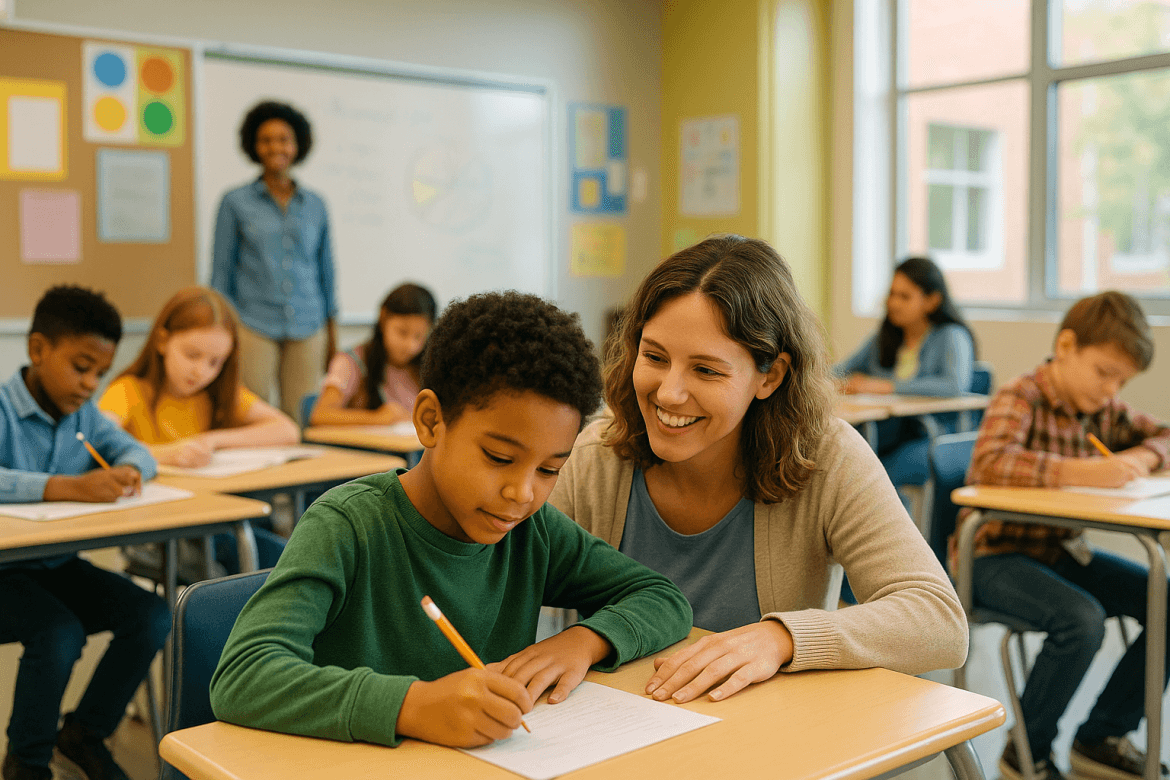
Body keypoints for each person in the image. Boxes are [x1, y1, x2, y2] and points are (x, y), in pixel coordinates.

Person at [209, 291, 691, 748]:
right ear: (431, 420)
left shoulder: (530, 532)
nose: (522, 493)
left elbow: (663, 598)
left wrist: (584, 642)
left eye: (549, 470)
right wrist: (411, 706)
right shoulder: (347, 526)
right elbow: (244, 676)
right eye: (499, 457)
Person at [549, 235, 967, 709]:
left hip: (765, 740)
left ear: (770, 376)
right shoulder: (598, 453)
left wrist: (781, 638)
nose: (668, 393)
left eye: (706, 371)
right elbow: (504, 573)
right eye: (655, 357)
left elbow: (939, 622)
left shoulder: (827, 457)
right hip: (614, 731)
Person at [955, 291, 1170, 780]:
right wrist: (1083, 473)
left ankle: (1101, 736)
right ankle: (1025, 752)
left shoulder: (1103, 409)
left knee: (1167, 598)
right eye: (1104, 372)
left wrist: (1144, 458)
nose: (1111, 390)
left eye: (1122, 380)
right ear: (1067, 346)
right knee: (1082, 619)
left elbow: (1164, 434)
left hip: (1058, 553)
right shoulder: (1022, 395)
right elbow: (989, 464)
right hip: (993, 556)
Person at [0, 286, 169, 780]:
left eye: (101, 372)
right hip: (5, 573)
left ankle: (84, 735)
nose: (90, 383)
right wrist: (63, 486)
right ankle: (26, 763)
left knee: (151, 615)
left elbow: (140, 453)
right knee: (58, 632)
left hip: (54, 565)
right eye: (81, 367)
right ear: (37, 350)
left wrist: (131, 472)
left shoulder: (85, 416)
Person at [99, 286, 299, 575]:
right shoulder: (128, 391)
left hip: (211, 521)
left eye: (215, 362)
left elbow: (287, 430)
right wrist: (169, 454)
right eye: (192, 355)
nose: (201, 372)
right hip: (155, 528)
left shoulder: (216, 394)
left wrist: (211, 440)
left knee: (283, 558)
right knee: (238, 569)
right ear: (162, 341)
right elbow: (98, 447)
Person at [211, 100, 337, 420]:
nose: (275, 147)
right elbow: (221, 271)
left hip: (309, 323)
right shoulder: (234, 202)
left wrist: (331, 329)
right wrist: (220, 329)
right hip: (252, 322)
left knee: (302, 414)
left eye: (283, 139)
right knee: (253, 412)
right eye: (266, 140)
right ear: (254, 146)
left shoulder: (316, 205)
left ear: (297, 145)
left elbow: (326, 271)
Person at [834, 256, 976, 487]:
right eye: (892, 294)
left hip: (930, 437)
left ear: (932, 301)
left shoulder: (952, 336)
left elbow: (954, 385)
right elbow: (839, 371)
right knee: (842, 455)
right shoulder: (884, 338)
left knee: (868, 476)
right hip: (885, 432)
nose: (893, 303)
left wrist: (885, 387)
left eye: (904, 296)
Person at [309, 283, 437, 426]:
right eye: (402, 332)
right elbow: (320, 415)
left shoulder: (426, 366)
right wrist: (376, 418)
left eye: (419, 336)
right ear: (383, 318)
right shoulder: (353, 361)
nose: (411, 346)